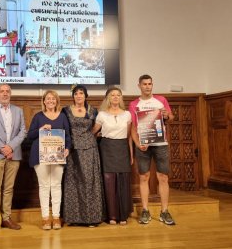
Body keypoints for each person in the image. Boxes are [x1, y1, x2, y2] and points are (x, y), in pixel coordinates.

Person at [129, 74, 175, 225]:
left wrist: (166, 114)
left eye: (150, 84)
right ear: (139, 86)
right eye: (144, 84)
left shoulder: (161, 100)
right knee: (144, 177)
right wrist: (137, 144)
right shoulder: (134, 104)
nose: (147, 86)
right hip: (143, 145)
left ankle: (165, 211)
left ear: (152, 85)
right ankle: (145, 210)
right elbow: (134, 128)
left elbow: (171, 117)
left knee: (163, 177)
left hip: (161, 144)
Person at [0, 84, 26, 235]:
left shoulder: (18, 110)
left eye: (7, 91)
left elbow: (22, 132)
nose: (5, 93)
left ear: (10, 94)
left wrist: (11, 147)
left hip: (14, 155)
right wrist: (3, 148)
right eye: (2, 91)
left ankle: (6, 218)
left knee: (8, 188)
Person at [28, 90, 71, 230]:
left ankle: (56, 217)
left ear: (57, 101)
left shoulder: (63, 117)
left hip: (58, 156)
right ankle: (45, 218)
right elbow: (30, 136)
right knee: (44, 186)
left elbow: (68, 137)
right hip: (40, 156)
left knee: (57, 185)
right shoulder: (38, 116)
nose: (51, 101)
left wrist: (68, 149)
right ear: (44, 101)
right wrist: (41, 129)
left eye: (53, 98)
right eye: (48, 98)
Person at [62, 85, 105, 226]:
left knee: (89, 182)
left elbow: (97, 129)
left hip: (90, 149)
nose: (79, 96)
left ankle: (91, 218)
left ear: (86, 95)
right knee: (72, 183)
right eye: (76, 93)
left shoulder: (93, 111)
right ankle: (74, 218)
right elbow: (62, 128)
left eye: (81, 93)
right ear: (73, 96)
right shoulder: (66, 111)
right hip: (72, 150)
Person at [92, 87, 133, 225]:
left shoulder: (127, 114)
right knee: (109, 181)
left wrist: (131, 155)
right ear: (108, 98)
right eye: (112, 95)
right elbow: (93, 132)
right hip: (107, 148)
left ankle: (123, 215)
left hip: (122, 149)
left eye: (118, 95)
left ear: (121, 97)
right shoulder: (102, 115)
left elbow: (128, 137)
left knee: (123, 181)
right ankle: (112, 216)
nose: (115, 97)